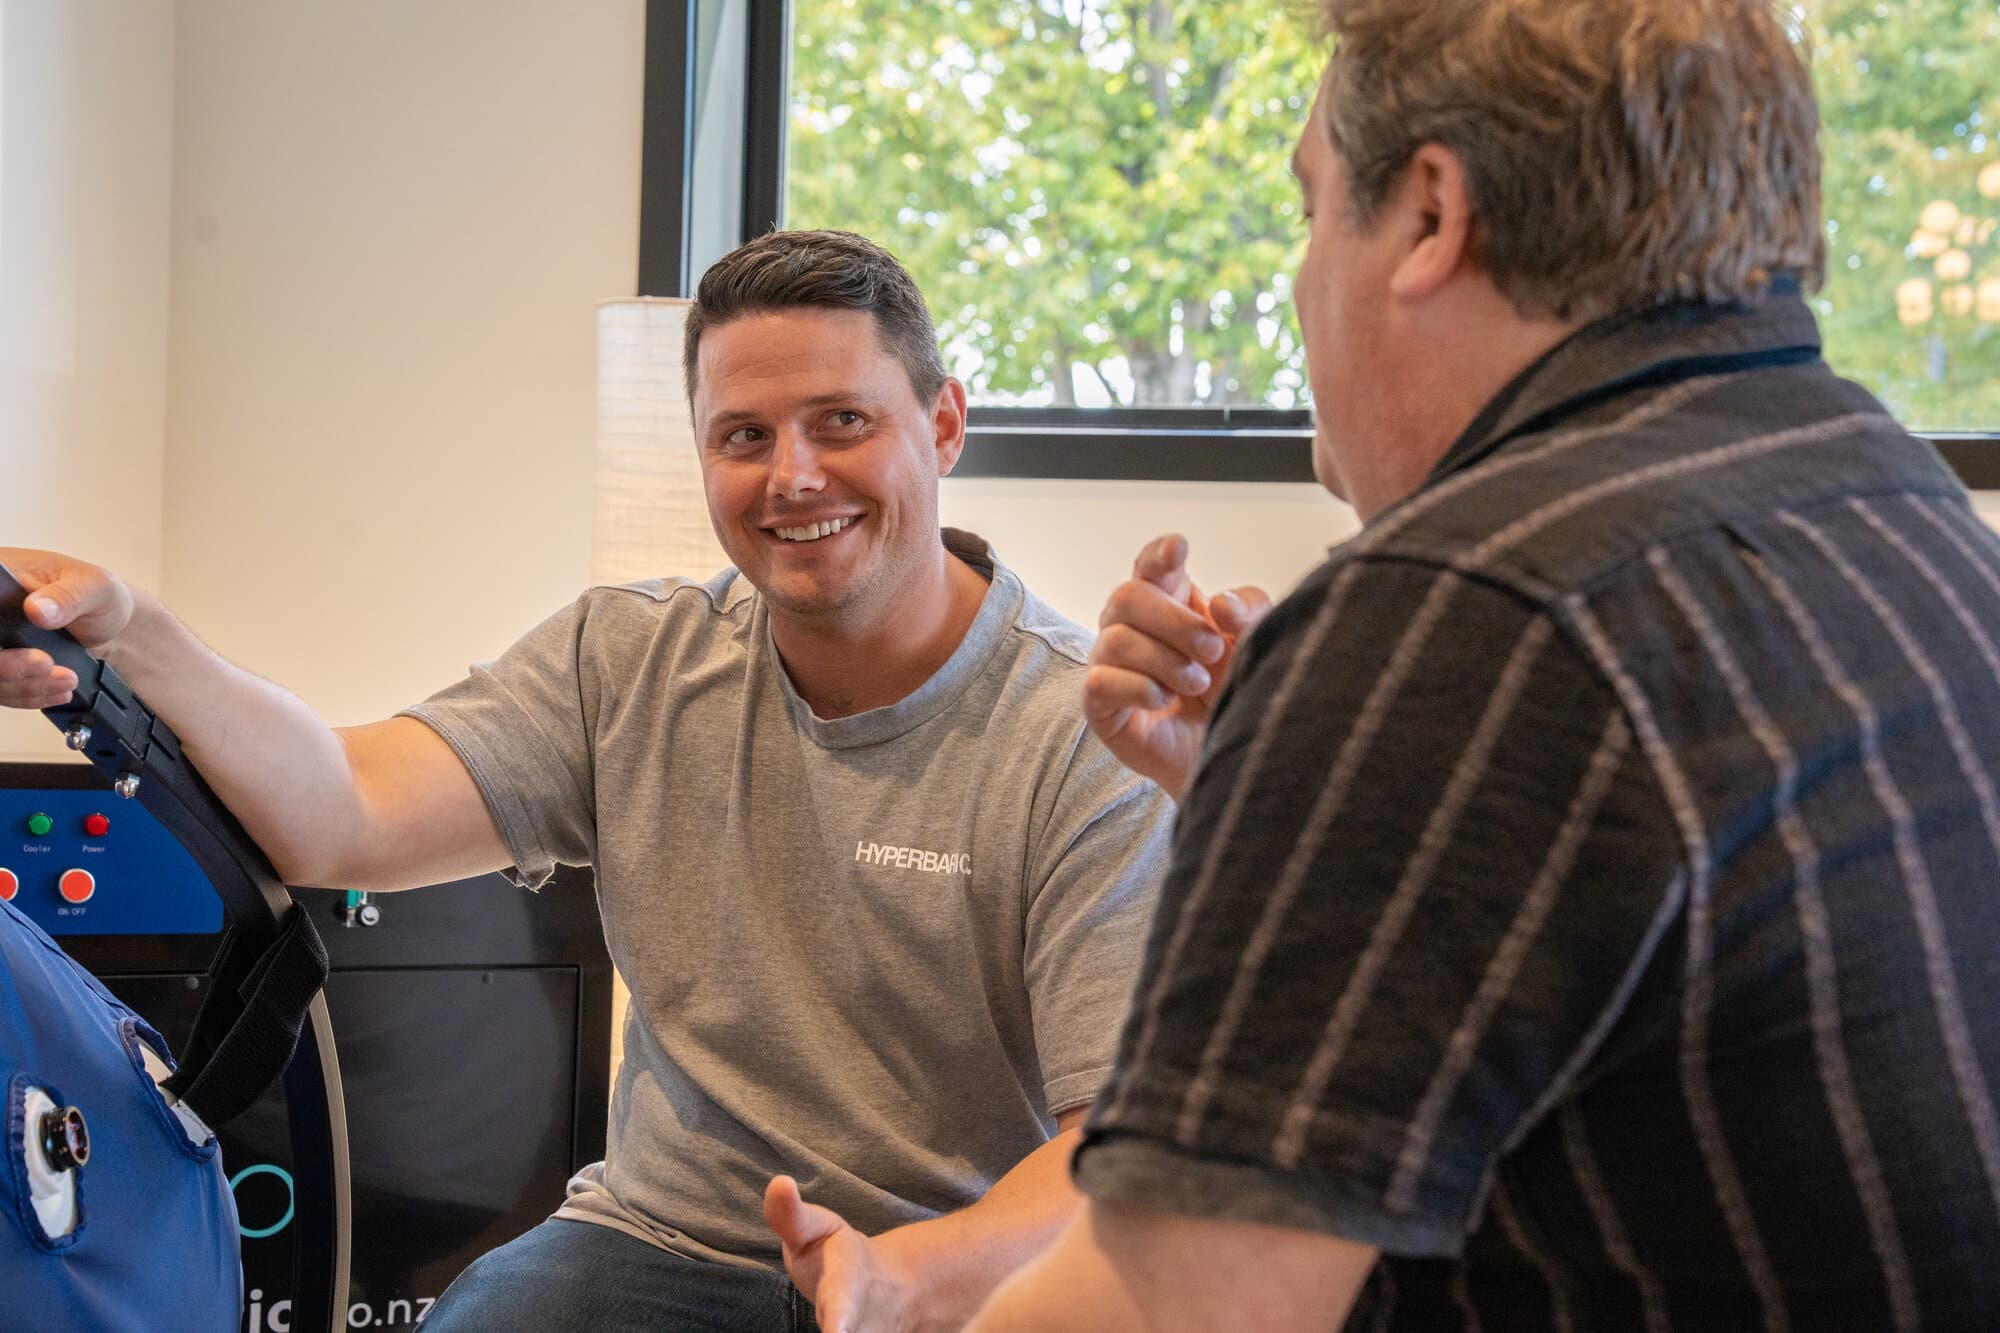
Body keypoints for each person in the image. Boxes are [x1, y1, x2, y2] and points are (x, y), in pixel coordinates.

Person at [970, 1, 2000, 1329]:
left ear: (1431, 217)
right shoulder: (1892, 500)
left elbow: (1168, 1308)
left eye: (1308, 212)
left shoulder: (1467, 605)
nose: (1297, 285)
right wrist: (1262, 786)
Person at [0, 228, 1173, 1332]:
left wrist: (904, 1275)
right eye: (744, 436)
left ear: (943, 425)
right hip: (658, 1246)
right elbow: (340, 812)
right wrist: (132, 635)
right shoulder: (629, 660)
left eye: (841, 421)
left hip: (953, 1263)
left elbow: (1112, 1150)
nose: (793, 476)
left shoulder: (1081, 730)